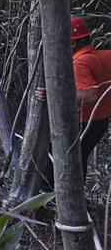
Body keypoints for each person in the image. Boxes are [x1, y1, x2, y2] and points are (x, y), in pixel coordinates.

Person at [36, 17, 111, 181]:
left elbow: (91, 95)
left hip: (82, 123)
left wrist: (53, 95)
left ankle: (51, 197)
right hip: (101, 122)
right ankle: (75, 200)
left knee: (60, 159)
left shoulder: (79, 63)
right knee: (78, 159)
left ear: (71, 43)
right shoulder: (107, 55)